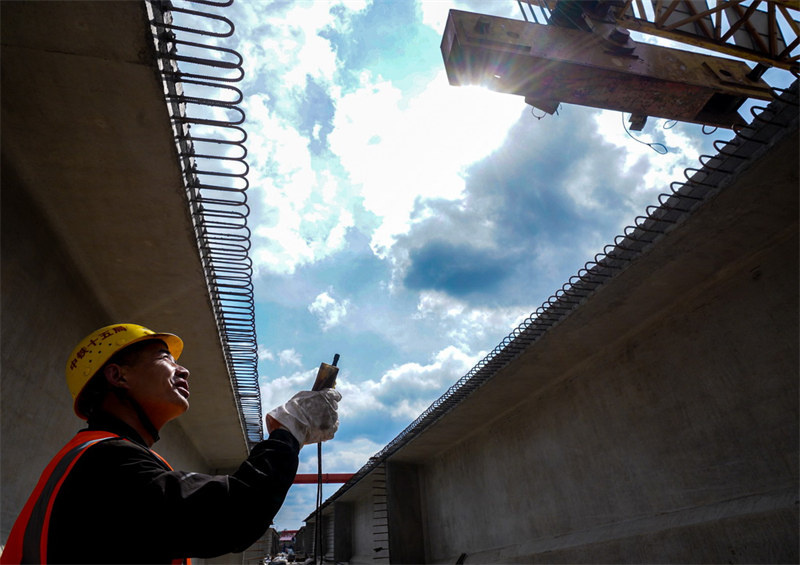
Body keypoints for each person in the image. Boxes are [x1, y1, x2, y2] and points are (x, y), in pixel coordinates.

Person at [0, 323, 341, 564]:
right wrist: (289, 431)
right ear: (118, 376)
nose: (184, 371)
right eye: (165, 358)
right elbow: (233, 514)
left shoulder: (95, 456)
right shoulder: (107, 461)